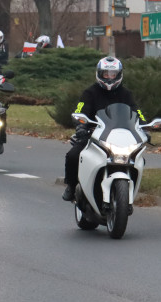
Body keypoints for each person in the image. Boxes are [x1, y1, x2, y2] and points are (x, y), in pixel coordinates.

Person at [62, 57, 146, 201]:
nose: (109, 77)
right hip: (93, 135)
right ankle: (71, 185)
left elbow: (137, 112)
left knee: (138, 159)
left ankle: (128, 191)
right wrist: (81, 126)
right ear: (99, 74)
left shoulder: (126, 94)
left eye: (113, 74)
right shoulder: (90, 93)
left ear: (119, 75)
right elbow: (80, 110)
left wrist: (144, 127)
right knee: (73, 155)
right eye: (106, 74)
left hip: (121, 136)